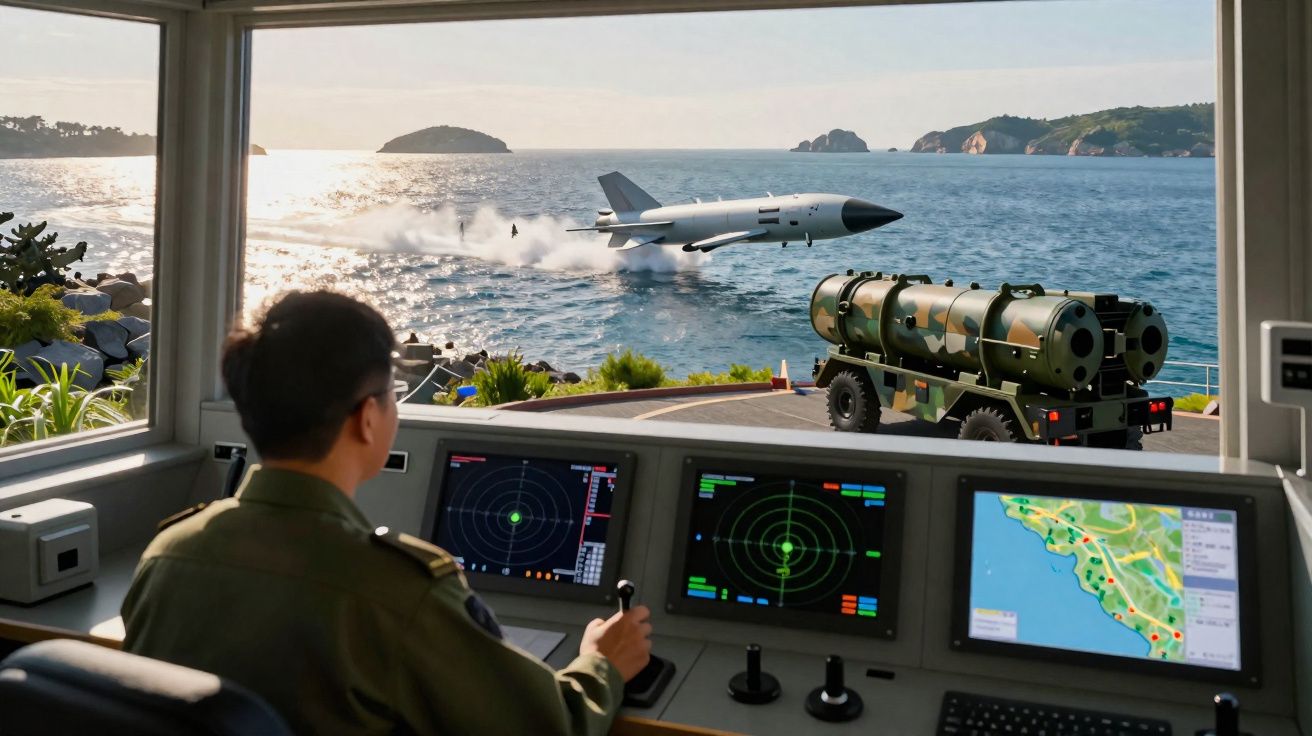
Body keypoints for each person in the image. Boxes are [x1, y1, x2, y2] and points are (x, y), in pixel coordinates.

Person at [120, 291, 652, 735]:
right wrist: (602, 663)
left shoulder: (167, 554)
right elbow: (550, 726)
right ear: (368, 419)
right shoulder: (400, 593)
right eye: (391, 395)